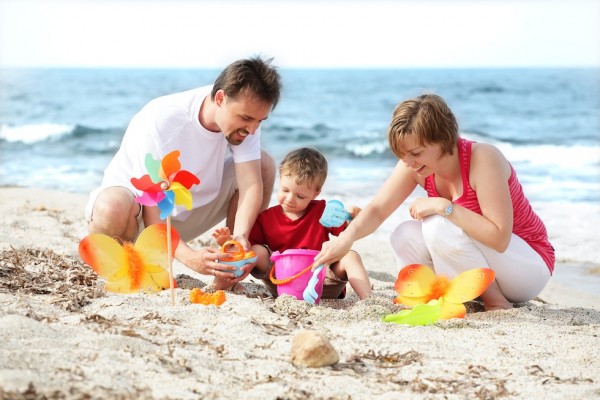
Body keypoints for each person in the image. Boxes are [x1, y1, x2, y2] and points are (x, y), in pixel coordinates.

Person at [313, 93, 554, 311]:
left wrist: (443, 206)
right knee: (404, 233)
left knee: (437, 224)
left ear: (445, 139)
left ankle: (497, 303)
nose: (408, 162)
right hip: (484, 270)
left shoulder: (483, 158)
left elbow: (500, 239)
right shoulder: (414, 164)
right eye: (402, 155)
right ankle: (427, 296)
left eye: (416, 153)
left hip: (527, 268)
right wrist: (346, 239)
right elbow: (377, 210)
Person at [85, 56, 282, 291]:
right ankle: (128, 265)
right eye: (246, 119)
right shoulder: (163, 118)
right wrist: (189, 258)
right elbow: (154, 206)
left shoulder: (247, 122)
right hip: (135, 217)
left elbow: (251, 186)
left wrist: (240, 236)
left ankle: (231, 271)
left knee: (264, 165)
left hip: (185, 214)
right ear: (220, 98)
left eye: (260, 121)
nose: (252, 129)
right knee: (111, 206)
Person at [213, 147, 372, 300]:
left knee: (351, 255)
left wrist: (353, 218)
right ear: (280, 180)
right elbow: (246, 248)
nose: (290, 199)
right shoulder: (267, 218)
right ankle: (224, 285)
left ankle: (368, 299)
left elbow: (347, 234)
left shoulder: (322, 211)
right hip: (282, 281)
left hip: (321, 280)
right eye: (285, 190)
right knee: (256, 250)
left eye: (300, 196)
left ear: (315, 193)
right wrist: (229, 242)